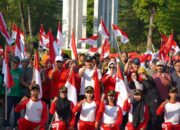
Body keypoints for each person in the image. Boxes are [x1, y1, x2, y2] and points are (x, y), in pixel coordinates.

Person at [4, 56, 23, 129]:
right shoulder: (7, 71)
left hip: (19, 94)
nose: (15, 64)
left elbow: (23, 80)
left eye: (17, 63)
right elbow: (4, 80)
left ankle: (16, 124)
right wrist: (4, 83)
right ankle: (6, 124)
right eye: (14, 62)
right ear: (11, 63)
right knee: (8, 110)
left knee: (17, 111)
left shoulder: (21, 71)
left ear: (19, 64)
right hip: (9, 94)